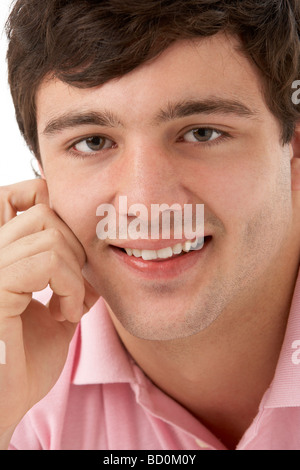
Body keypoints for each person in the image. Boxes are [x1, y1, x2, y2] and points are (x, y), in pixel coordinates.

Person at [0, 0, 300, 451]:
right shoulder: (16, 351)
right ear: (41, 174)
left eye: (202, 133)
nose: (145, 204)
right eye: (93, 142)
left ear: (293, 148)